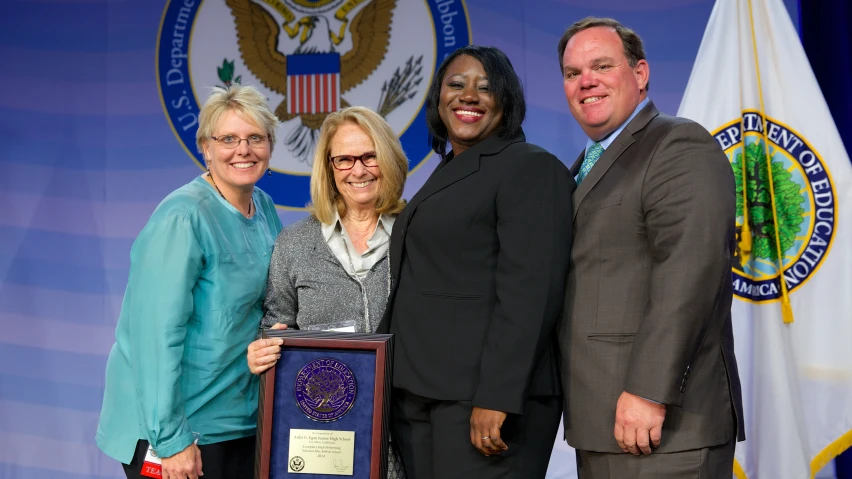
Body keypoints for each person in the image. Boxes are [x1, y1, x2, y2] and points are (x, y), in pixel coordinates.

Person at [556, 17, 745, 477]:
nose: (587, 82)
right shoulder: (587, 162)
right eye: (572, 72)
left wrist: (648, 392)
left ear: (640, 74)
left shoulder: (678, 145)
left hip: (663, 427)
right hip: (603, 423)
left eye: (601, 65)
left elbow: (689, 274)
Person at [375, 45, 574, 479]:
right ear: (438, 97)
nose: (469, 96)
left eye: (486, 88)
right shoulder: (450, 169)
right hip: (422, 394)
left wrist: (498, 397)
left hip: (483, 402)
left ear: (507, 101)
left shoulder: (530, 167)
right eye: (456, 85)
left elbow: (531, 292)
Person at [95, 84, 283, 479]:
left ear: (270, 144)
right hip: (180, 429)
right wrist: (171, 439)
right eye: (228, 139)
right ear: (205, 147)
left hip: (238, 418)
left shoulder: (263, 207)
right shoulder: (182, 219)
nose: (243, 150)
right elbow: (154, 337)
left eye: (255, 138)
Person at [246, 106, 409, 478]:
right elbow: (276, 325)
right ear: (329, 168)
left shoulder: (417, 232)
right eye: (344, 160)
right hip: (325, 439)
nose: (358, 170)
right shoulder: (295, 242)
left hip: (409, 435)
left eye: (370, 156)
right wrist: (263, 349)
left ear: (389, 160)